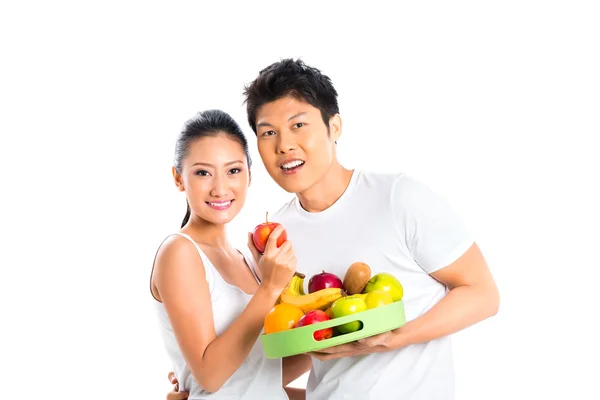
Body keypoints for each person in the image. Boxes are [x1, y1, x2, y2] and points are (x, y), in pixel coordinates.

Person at [167, 59, 500, 399]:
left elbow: (483, 294)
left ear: (335, 126)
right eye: (268, 132)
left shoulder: (399, 198)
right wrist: (198, 383)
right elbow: (291, 355)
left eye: (298, 125)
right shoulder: (275, 240)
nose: (284, 145)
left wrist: (393, 339)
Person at [151, 109, 311, 400]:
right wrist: (270, 287)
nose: (220, 188)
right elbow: (211, 377)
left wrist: (334, 339)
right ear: (178, 179)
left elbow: (260, 373)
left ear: (249, 174)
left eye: (233, 170)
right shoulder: (179, 253)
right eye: (203, 173)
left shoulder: (246, 259)